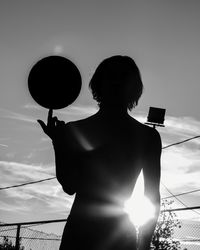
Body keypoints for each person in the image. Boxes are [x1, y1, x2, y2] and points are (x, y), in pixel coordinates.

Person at [38, 55, 161, 250]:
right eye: (111, 75)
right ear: (99, 83)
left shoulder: (148, 137)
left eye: (123, 77)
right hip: (84, 234)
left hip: (111, 234)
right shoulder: (75, 130)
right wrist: (59, 143)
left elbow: (153, 197)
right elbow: (69, 185)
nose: (116, 82)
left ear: (133, 86)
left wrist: (144, 244)